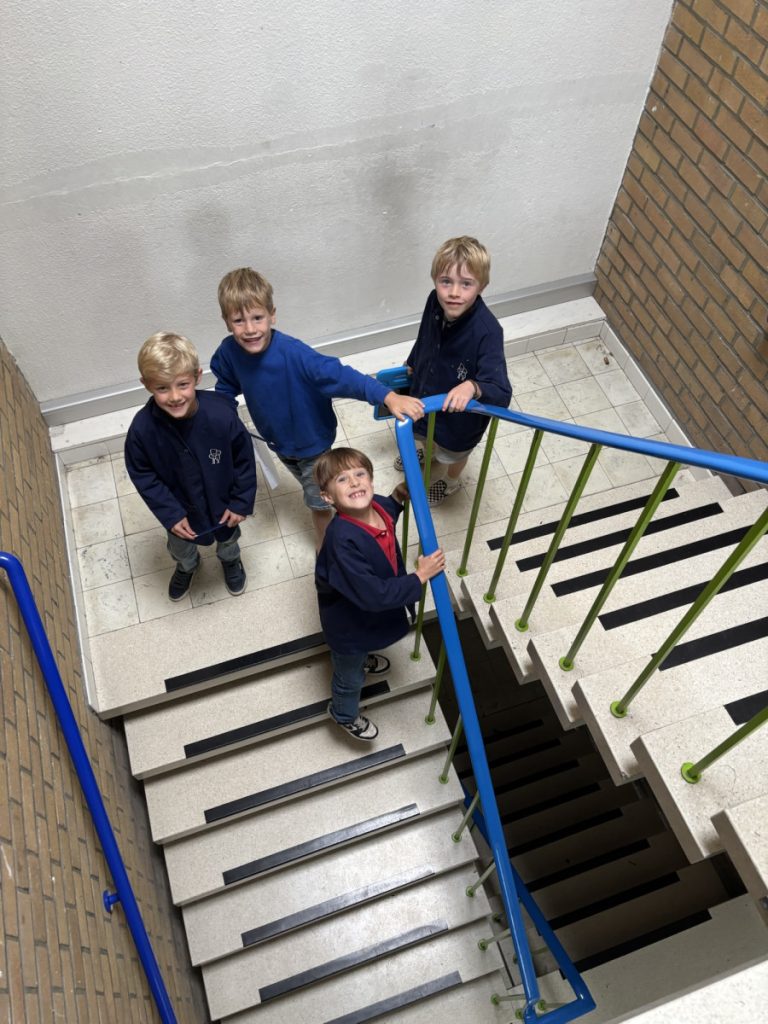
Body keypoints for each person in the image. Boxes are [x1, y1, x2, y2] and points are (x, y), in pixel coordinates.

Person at [210, 268, 425, 549]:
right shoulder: (229, 352)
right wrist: (221, 417)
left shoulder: (298, 356)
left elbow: (345, 378)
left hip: (314, 447)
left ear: (272, 315)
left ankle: (327, 552)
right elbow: (226, 385)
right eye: (239, 321)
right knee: (315, 489)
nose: (250, 329)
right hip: (279, 444)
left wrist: (388, 396)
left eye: (257, 318)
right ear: (227, 322)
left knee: (319, 505)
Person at [314, 447, 445, 741]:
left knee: (359, 654)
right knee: (350, 677)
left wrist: (398, 496)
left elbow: (390, 511)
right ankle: (343, 714)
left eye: (360, 474)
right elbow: (375, 596)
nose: (354, 482)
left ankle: (362, 659)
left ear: (371, 480)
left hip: (365, 616)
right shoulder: (341, 542)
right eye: (342, 479)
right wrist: (420, 576)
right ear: (328, 497)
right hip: (348, 627)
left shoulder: (380, 508)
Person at [125, 332, 257, 601]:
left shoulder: (222, 417)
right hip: (181, 513)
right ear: (146, 385)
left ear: (197, 376)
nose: (175, 396)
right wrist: (171, 514)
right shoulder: (141, 431)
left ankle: (230, 560)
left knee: (229, 540)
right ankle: (187, 566)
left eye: (182, 385)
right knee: (180, 549)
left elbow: (244, 461)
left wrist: (240, 502)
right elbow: (143, 475)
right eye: (162, 388)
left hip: (224, 506)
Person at [398, 236, 513, 505]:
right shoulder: (434, 302)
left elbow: (501, 392)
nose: (454, 292)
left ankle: (452, 481)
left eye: (466, 284)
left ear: (481, 286)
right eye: (446, 281)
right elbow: (425, 335)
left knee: (453, 455)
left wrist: (472, 386)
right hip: (426, 396)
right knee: (423, 433)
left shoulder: (488, 332)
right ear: (434, 280)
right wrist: (413, 360)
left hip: (459, 422)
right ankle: (428, 453)